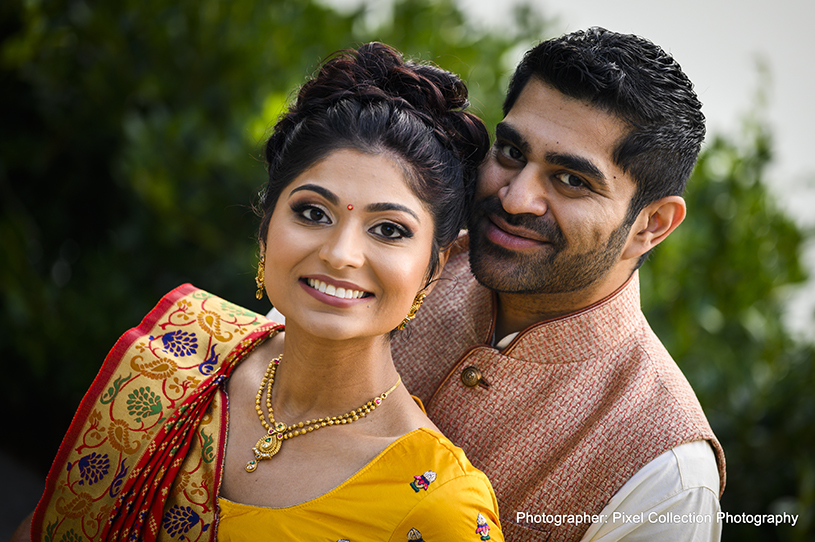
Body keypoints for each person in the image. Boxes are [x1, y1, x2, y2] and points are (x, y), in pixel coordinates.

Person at [15, 43, 503, 542]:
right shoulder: (181, 352)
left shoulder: (441, 508)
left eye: (389, 230)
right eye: (313, 213)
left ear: (434, 265)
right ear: (266, 225)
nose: (341, 254)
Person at [390, 27, 726, 542]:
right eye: (510, 153)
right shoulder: (394, 262)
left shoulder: (665, 472)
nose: (516, 198)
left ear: (652, 224)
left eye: (571, 179)